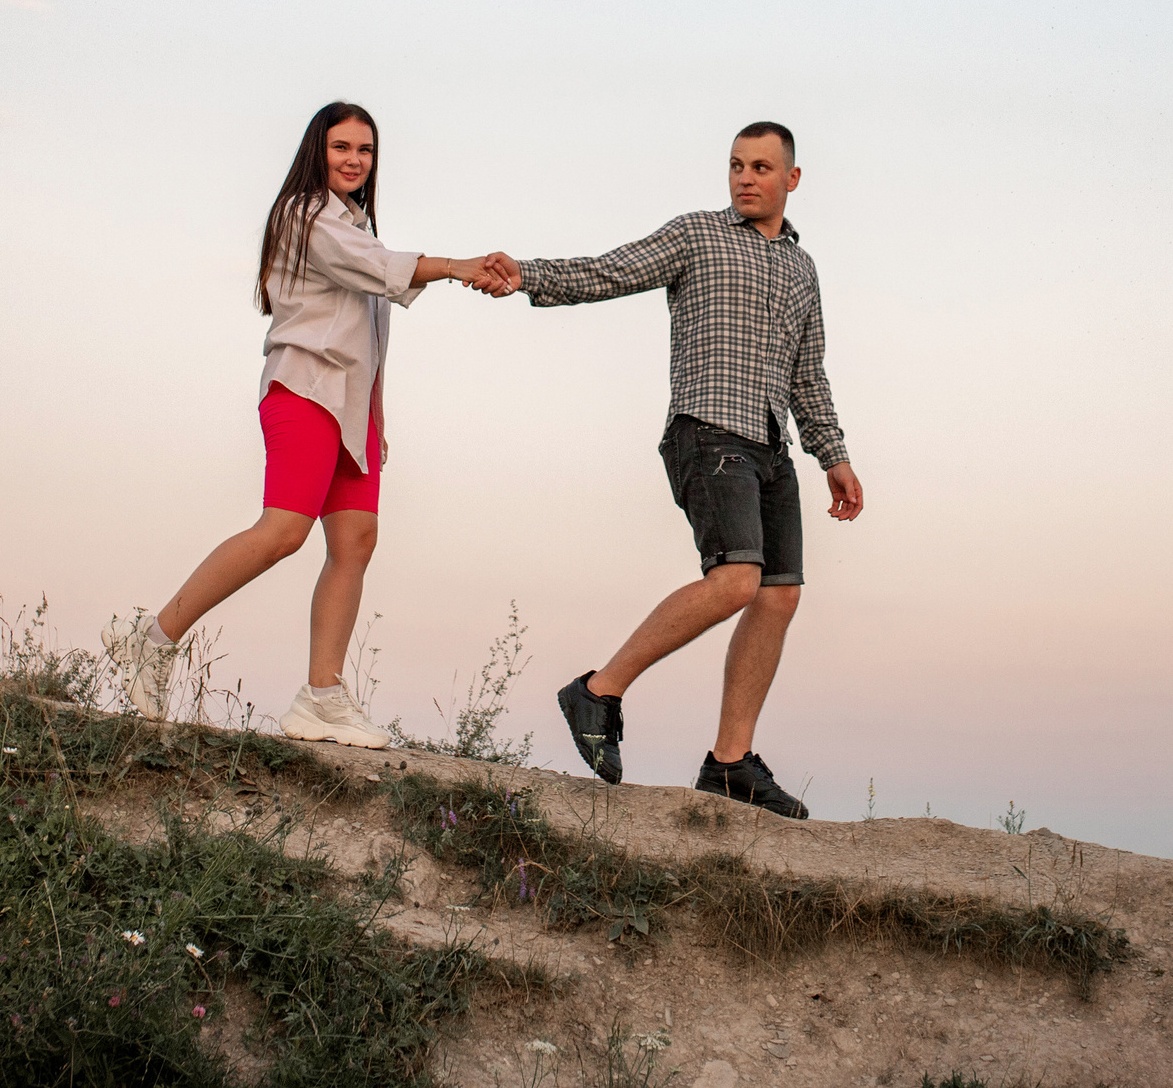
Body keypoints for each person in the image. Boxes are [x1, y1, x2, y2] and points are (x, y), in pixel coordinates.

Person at [479, 122, 863, 818]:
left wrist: (831, 454)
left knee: (777, 596)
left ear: (791, 179)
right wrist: (527, 275)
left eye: (761, 167)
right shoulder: (697, 236)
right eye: (735, 166)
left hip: (771, 446)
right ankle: (597, 692)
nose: (745, 178)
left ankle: (728, 764)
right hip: (709, 432)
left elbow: (808, 373)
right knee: (734, 581)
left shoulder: (802, 269)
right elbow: (611, 269)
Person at [104, 100, 506, 749]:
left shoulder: (354, 224)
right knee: (282, 531)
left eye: (364, 150)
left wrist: (374, 429)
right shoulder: (307, 214)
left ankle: (321, 697)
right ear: (316, 152)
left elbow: (370, 329)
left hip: (352, 410)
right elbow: (380, 272)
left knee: (355, 541)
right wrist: (460, 266)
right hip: (306, 390)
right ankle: (149, 641)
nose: (353, 160)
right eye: (341, 147)